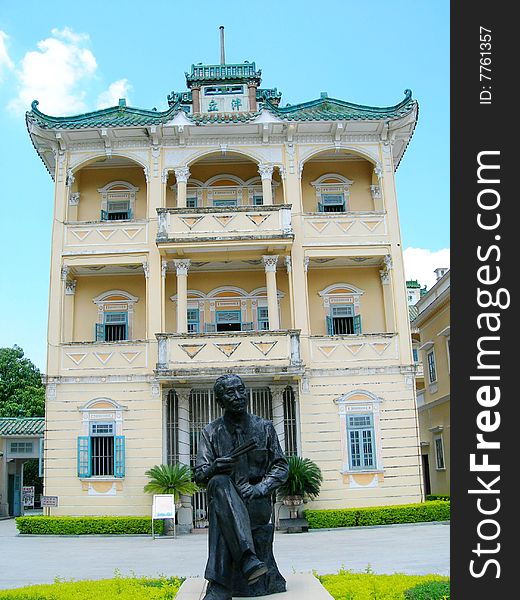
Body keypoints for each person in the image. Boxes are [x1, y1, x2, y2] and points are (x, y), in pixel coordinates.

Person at [195, 374, 289, 600]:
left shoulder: (264, 427)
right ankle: (248, 559)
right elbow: (199, 475)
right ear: (219, 401)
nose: (238, 396)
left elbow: (281, 466)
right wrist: (215, 467)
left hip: (256, 502)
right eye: (230, 392)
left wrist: (260, 488)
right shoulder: (211, 432)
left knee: (221, 513)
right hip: (225, 499)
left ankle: (219, 586)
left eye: (240, 390)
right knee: (218, 482)